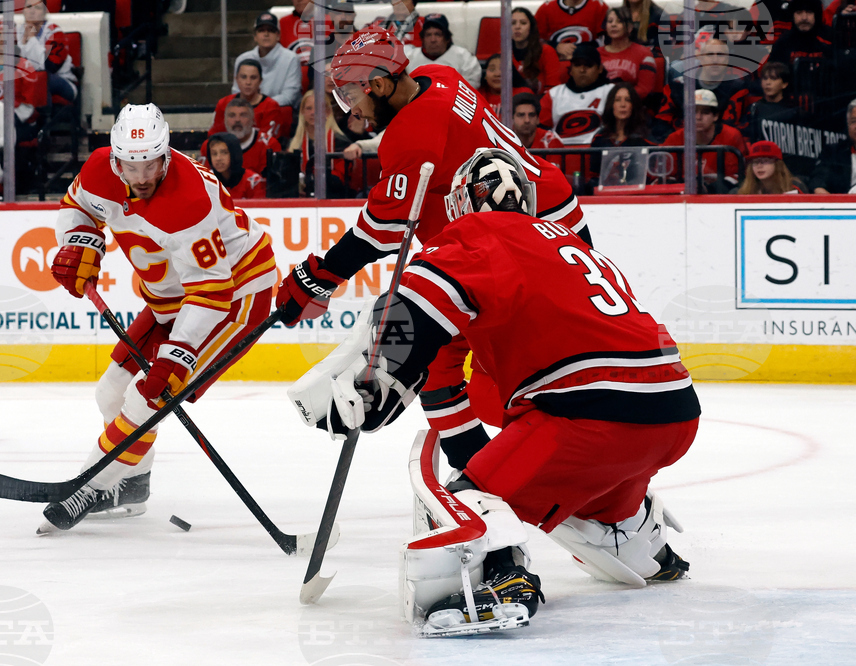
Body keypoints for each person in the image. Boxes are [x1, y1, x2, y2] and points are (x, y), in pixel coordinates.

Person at [289, 148, 699, 634]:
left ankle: (503, 575)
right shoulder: (571, 244)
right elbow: (442, 362)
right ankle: (629, 529)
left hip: (591, 416)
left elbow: (411, 307)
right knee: (540, 425)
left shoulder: (475, 234)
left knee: (469, 501)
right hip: (673, 409)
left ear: (462, 204)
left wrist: (375, 381)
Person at [276, 27, 589, 473]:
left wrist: (317, 278)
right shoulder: (438, 76)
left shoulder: (411, 131)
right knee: (440, 363)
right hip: (548, 221)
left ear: (380, 85)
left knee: (507, 382)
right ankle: (481, 478)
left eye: (352, 96)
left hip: (522, 247)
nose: (351, 113)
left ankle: (533, 473)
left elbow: (382, 229)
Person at [39, 103, 277, 532]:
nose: (143, 176)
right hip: (170, 300)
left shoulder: (189, 199)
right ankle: (131, 486)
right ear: (115, 160)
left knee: (147, 395)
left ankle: (90, 485)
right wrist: (78, 242)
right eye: (132, 166)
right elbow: (78, 207)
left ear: (166, 154)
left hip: (234, 298)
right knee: (111, 393)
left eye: (151, 163)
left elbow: (211, 289)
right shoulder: (98, 171)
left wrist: (178, 355)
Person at [652, 38, 749, 142]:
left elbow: (731, 126)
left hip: (720, 149)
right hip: (681, 146)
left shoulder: (737, 89)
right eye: (710, 54)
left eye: (720, 55)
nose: (715, 60)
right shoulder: (677, 86)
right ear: (701, 58)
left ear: (727, 60)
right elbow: (661, 124)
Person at [662, 89, 747, 192]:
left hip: (719, 197)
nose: (698, 117)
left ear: (715, 116)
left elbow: (736, 176)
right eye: (693, 112)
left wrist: (708, 189)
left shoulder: (731, 136)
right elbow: (665, 177)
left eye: (705, 112)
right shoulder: (674, 139)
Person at [539, 43, 614, 147]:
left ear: (600, 69)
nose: (582, 70)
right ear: (570, 69)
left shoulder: (612, 92)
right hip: (559, 156)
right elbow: (540, 132)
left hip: (597, 155)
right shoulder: (554, 94)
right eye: (577, 65)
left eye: (588, 65)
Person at [288, 89, 352, 197]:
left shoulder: (340, 141)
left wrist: (311, 180)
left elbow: (340, 179)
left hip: (334, 197)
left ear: (327, 112)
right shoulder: (294, 143)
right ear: (302, 112)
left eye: (318, 108)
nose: (313, 112)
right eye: (309, 108)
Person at [232, 13, 302, 108]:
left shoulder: (291, 58)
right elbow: (236, 92)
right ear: (255, 36)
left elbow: (289, 96)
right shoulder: (242, 59)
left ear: (278, 36)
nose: (266, 34)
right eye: (261, 31)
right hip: (248, 109)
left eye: (271, 30)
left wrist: (260, 104)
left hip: (279, 109)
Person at [18, 0, 80, 103]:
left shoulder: (55, 33)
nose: (32, 11)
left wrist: (32, 39)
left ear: (44, 12)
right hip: (29, 78)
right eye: (29, 7)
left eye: (37, 8)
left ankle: (40, 118)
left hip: (62, 81)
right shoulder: (19, 31)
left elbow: (50, 67)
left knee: (40, 79)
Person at [201, 99, 280, 177]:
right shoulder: (209, 146)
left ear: (253, 120)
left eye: (243, 115)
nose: (237, 120)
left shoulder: (269, 145)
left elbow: (273, 185)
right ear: (224, 120)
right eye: (232, 115)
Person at [208, 60, 283, 140]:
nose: (248, 82)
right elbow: (214, 136)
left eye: (253, 78)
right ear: (236, 79)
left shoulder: (271, 106)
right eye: (243, 77)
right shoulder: (224, 103)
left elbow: (267, 141)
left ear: (260, 81)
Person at [406, 14, 482, 89]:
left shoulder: (465, 57)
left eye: (438, 34)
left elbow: (472, 85)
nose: (433, 40)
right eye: (428, 35)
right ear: (423, 39)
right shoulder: (409, 58)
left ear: (447, 38)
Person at [590, 83, 652, 174]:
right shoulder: (599, 138)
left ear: (633, 105)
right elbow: (594, 175)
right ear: (611, 105)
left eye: (628, 100)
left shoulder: (644, 140)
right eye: (618, 100)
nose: (623, 105)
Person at [599, 7, 656, 101]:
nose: (613, 25)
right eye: (610, 21)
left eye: (619, 21)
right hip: (601, 105)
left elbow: (645, 89)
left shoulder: (644, 54)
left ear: (629, 27)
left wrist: (619, 100)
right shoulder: (596, 54)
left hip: (632, 105)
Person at [535, 0, 609, 62]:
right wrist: (555, 46)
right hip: (555, 64)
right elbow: (534, 40)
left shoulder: (599, 6)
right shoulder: (546, 8)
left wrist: (579, 50)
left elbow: (607, 41)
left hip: (588, 64)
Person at [509, 7, 562, 95]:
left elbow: (553, 89)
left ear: (531, 27)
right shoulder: (503, 55)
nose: (517, 27)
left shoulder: (546, 51)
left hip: (542, 104)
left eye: (523, 23)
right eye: (512, 23)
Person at [810, 99, 856, 194]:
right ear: (847, 125)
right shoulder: (833, 152)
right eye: (854, 121)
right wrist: (835, 206)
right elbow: (817, 183)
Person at [769, 0, 832, 67]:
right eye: (799, 13)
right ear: (792, 15)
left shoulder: (829, 40)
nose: (804, 18)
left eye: (809, 12)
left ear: (816, 15)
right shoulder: (783, 44)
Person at [206, 132, 266, 200]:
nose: (218, 158)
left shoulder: (253, 182)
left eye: (224, 153)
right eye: (214, 154)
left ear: (234, 154)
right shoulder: (206, 182)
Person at [733, 141, 808, 194]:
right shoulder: (743, 191)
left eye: (765, 161)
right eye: (755, 162)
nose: (759, 166)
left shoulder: (794, 187)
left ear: (777, 164)